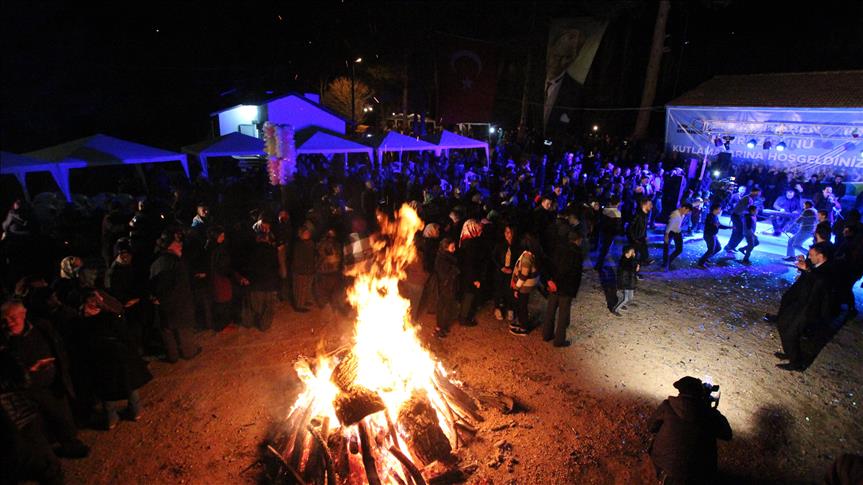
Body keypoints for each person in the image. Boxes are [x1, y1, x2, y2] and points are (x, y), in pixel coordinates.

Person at [1, 299, 90, 460]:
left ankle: (71, 446)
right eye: (4, 319)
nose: (9, 323)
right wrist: (27, 372)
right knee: (37, 426)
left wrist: (62, 368)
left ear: (23, 313)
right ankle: (46, 456)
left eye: (12, 317)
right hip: (25, 392)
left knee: (63, 417)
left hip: (52, 384)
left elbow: (58, 346)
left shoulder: (42, 327)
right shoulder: (4, 342)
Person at [75, 291, 151, 429]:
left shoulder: (82, 323)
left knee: (106, 388)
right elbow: (125, 335)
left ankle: (112, 418)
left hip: (100, 360)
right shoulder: (109, 317)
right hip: (117, 356)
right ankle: (136, 411)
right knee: (128, 384)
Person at [648, 376, 732, 484]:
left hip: (664, 469)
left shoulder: (667, 406)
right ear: (700, 393)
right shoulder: (709, 414)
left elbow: (651, 427)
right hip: (697, 476)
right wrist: (713, 411)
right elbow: (727, 434)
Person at [774, 243, 835, 371]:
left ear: (821, 256)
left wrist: (807, 269)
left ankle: (796, 363)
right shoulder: (814, 264)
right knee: (782, 324)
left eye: (812, 255)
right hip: (799, 303)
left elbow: (820, 282)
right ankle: (791, 352)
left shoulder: (829, 269)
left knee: (791, 332)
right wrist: (804, 265)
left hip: (809, 308)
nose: (810, 257)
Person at [149, 232, 200, 363]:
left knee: (167, 331)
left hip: (162, 305)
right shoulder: (177, 263)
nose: (180, 245)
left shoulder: (156, 263)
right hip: (179, 304)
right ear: (171, 246)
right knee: (184, 330)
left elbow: (152, 284)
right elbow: (180, 286)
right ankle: (189, 352)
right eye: (178, 243)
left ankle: (173, 356)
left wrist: (156, 298)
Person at [542, 230, 583, 347]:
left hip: (553, 286)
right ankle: (559, 340)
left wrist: (549, 281)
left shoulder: (557, 248)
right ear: (578, 240)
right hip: (566, 289)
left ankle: (547, 334)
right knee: (563, 315)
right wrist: (574, 291)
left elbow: (548, 264)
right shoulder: (577, 253)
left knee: (550, 311)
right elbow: (576, 275)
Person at [241, 232, 279, 331]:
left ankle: (248, 323)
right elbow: (276, 267)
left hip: (254, 284)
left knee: (253, 306)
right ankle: (264, 326)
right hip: (269, 284)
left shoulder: (250, 250)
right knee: (267, 308)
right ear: (266, 238)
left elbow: (247, 267)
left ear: (257, 239)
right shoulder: (272, 250)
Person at [457, 219, 484, 327]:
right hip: (469, 276)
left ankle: (462, 315)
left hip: (464, 274)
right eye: (479, 229)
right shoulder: (472, 244)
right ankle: (464, 318)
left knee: (466, 295)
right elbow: (471, 263)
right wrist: (475, 279)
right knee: (469, 296)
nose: (481, 232)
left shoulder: (463, 239)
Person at [432, 238, 460, 338]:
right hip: (445, 287)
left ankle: (443, 326)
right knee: (443, 306)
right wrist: (455, 271)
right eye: (452, 247)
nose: (455, 249)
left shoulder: (449, 256)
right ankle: (439, 328)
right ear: (445, 247)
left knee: (448, 306)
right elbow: (444, 274)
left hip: (449, 286)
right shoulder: (442, 258)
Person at [491, 225, 519, 322]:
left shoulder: (517, 246)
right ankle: (497, 308)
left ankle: (510, 309)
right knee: (499, 289)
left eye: (510, 232)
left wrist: (513, 269)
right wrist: (501, 267)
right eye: (506, 232)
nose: (508, 234)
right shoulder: (500, 245)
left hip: (511, 272)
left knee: (510, 290)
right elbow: (494, 257)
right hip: (500, 271)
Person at [510, 248, 540, 336]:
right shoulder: (527, 255)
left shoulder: (526, 257)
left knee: (522, 305)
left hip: (525, 286)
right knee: (521, 304)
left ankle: (524, 327)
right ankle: (521, 322)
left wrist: (516, 288)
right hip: (525, 285)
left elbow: (523, 275)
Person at [724, 187, 761, 254]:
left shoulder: (749, 199)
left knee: (740, 233)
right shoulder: (747, 198)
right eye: (757, 193)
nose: (758, 194)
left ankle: (732, 247)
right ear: (753, 192)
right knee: (737, 233)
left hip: (739, 217)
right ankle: (729, 247)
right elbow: (741, 209)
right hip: (737, 217)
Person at [696, 204, 731, 269]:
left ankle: (706, 258)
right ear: (715, 209)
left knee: (718, 248)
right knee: (711, 250)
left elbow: (719, 225)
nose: (720, 211)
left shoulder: (715, 217)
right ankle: (700, 263)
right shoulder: (710, 216)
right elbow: (710, 224)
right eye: (719, 209)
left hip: (713, 235)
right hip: (709, 235)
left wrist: (729, 227)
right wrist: (713, 224)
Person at [291, 225, 316, 312]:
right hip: (301, 271)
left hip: (310, 269)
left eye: (308, 232)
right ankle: (299, 306)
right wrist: (300, 270)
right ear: (301, 234)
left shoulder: (311, 243)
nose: (307, 234)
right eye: (305, 233)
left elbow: (313, 255)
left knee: (307, 287)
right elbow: (297, 259)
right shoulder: (299, 245)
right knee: (300, 288)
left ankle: (305, 301)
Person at [627, 198, 653, 277]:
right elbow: (629, 228)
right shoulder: (637, 214)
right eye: (649, 204)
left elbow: (644, 227)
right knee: (634, 258)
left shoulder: (646, 214)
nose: (651, 206)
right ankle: (633, 273)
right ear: (644, 205)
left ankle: (635, 270)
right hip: (635, 239)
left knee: (644, 256)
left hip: (641, 238)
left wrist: (645, 236)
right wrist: (633, 239)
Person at [595, 196, 622, 271]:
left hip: (603, 232)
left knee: (603, 249)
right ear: (618, 203)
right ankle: (599, 266)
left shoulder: (605, 210)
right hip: (610, 234)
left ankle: (599, 264)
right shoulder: (617, 213)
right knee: (605, 250)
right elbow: (617, 226)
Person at [663, 203, 692, 271]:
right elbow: (669, 225)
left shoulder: (683, 212)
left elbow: (692, 204)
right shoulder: (675, 214)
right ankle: (665, 263)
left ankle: (668, 261)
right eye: (687, 211)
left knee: (679, 249)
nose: (687, 213)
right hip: (670, 232)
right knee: (666, 248)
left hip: (677, 231)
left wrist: (702, 202)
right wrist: (666, 235)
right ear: (684, 208)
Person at [612, 246, 638, 315]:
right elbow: (629, 270)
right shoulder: (624, 261)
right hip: (626, 282)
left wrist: (636, 268)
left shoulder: (631, 259)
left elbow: (633, 270)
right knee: (626, 299)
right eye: (631, 252)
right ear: (626, 252)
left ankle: (621, 303)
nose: (633, 253)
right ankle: (615, 310)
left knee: (630, 298)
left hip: (631, 281)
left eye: (633, 252)